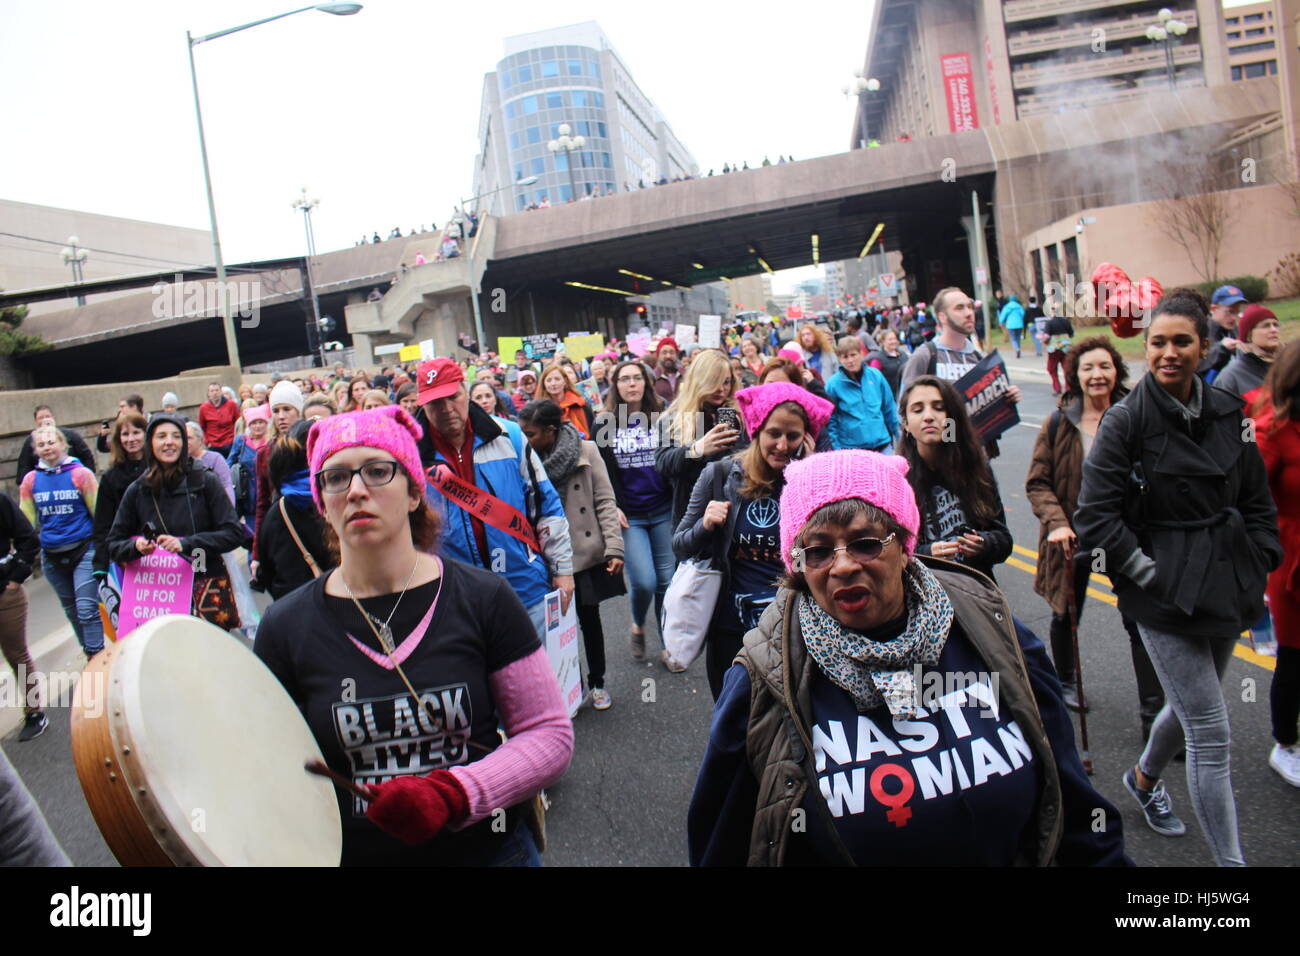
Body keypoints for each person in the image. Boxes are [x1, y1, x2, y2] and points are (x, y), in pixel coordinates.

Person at [687, 449, 1128, 866]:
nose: (842, 566)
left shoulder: (993, 634)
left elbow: (1075, 810)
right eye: (818, 551)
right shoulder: (762, 679)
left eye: (865, 543)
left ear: (904, 546)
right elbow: (722, 845)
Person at [254, 405, 573, 865]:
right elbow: (268, 764)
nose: (357, 489)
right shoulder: (284, 626)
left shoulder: (484, 598)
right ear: (323, 501)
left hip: (488, 853)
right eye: (337, 477)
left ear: (412, 492)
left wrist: (454, 794)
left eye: (378, 471)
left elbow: (548, 734)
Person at [1075, 287, 1281, 865]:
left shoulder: (1230, 414)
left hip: (1225, 578)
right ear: (1145, 348)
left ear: (1204, 346)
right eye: (1158, 342)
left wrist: (1261, 556)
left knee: (1193, 703)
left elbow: (1257, 496)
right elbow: (1094, 518)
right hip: (1160, 593)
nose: (1169, 352)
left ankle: (1142, 779)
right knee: (1211, 733)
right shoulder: (1126, 421)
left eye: (1181, 341)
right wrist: (1146, 572)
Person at [1025, 338, 1163, 722]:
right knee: (1065, 612)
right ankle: (1066, 680)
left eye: (1104, 366)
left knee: (1139, 621)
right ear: (1075, 375)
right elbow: (1038, 483)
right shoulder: (1058, 423)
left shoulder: (1136, 415)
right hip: (1072, 534)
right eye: (1088, 368)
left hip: (1123, 535)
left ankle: (1154, 711)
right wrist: (1057, 524)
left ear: (1116, 370)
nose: (1097, 375)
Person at [673, 382, 831, 696]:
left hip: (792, 628)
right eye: (774, 433)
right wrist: (705, 525)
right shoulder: (719, 475)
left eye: (793, 436)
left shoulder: (813, 482)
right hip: (731, 628)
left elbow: (826, 552)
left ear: (806, 438)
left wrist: (810, 476)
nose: (783, 445)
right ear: (757, 430)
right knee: (732, 718)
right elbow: (679, 545)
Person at [415, 358, 575, 639]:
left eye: (453, 397)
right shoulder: (409, 456)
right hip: (454, 599)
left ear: (465, 392)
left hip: (525, 586)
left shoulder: (509, 435)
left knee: (541, 680)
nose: (447, 409)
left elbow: (545, 503)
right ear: (422, 405)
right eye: (435, 403)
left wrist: (562, 569)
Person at [519, 400, 624, 710]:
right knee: (556, 628)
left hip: (584, 552)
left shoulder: (587, 451)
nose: (525, 439)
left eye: (531, 433)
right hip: (547, 555)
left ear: (550, 431)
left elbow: (605, 501)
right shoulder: (524, 460)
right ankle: (569, 686)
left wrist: (614, 547)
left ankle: (598, 682)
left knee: (589, 621)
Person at [109, 414, 248, 631]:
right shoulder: (138, 489)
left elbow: (233, 532)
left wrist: (186, 544)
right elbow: (113, 544)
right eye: (161, 436)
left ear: (184, 443)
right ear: (150, 444)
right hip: (159, 595)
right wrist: (135, 547)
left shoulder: (205, 480)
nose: (169, 442)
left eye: (176, 436)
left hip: (204, 580)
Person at [595, 360, 676, 660]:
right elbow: (599, 472)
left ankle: (668, 644)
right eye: (624, 379)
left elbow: (675, 456)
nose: (631, 384)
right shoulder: (604, 422)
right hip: (630, 515)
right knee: (644, 581)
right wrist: (611, 505)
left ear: (646, 382)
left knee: (667, 581)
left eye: (637, 378)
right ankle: (638, 624)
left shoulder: (662, 416)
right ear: (615, 386)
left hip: (663, 508)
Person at [897, 376, 1012, 582]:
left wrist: (983, 544)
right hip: (924, 595)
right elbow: (892, 552)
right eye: (917, 410)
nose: (928, 416)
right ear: (906, 424)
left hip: (974, 591)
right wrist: (927, 553)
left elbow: (1003, 539)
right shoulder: (898, 479)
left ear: (952, 418)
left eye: (939, 408)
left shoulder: (975, 468)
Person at [1251, 343, 1300, 786]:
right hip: (1290, 563)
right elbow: (1248, 501)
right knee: (1294, 655)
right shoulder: (1271, 431)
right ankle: (1285, 742)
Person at [901, 287, 1023, 458]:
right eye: (959, 308)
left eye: (969, 306)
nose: (968, 313)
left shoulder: (978, 358)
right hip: (940, 459)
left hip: (977, 459)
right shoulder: (926, 356)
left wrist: (1008, 397)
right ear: (942, 316)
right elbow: (904, 409)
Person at [20, 426, 102, 659]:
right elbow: (25, 521)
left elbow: (98, 513)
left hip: (83, 549)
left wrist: (104, 549)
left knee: (87, 610)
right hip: (52, 555)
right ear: (36, 450)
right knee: (72, 612)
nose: (47, 448)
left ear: (62, 444)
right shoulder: (30, 480)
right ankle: (90, 653)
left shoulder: (81, 475)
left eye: (51, 442)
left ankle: (97, 658)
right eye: (41, 445)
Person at [656, 349, 746, 529]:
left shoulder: (741, 416)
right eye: (714, 381)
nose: (721, 389)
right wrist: (697, 449)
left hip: (738, 514)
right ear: (699, 381)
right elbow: (663, 463)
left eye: (726, 382)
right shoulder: (674, 419)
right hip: (692, 517)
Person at [254, 420, 333, 599]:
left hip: (292, 609)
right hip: (339, 604)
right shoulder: (339, 498)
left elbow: (267, 571)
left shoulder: (278, 511)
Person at [0, 492, 43, 740]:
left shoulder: (1, 502)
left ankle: (34, 712)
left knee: (15, 654)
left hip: (6, 594)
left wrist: (15, 579)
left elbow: (28, 539)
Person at [825, 336, 899, 453]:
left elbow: (890, 409)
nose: (850, 360)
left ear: (861, 354)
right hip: (852, 448)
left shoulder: (876, 376)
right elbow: (830, 420)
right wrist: (837, 450)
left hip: (882, 444)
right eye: (845, 357)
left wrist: (900, 439)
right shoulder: (833, 384)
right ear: (839, 359)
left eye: (853, 355)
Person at [1213, 304, 1281, 399]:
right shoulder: (1230, 377)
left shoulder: (1290, 364)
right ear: (1249, 335)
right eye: (1266, 326)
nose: (1273, 330)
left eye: (1276, 325)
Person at [15, 407, 95, 483]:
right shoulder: (30, 440)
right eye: (41, 418)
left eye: (47, 416)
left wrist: (86, 479)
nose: (45, 420)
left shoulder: (70, 435)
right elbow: (24, 466)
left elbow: (86, 456)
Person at [227, 405, 270, 537]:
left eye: (261, 422)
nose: (257, 426)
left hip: (268, 495)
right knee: (253, 535)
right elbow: (229, 463)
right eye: (254, 423)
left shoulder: (271, 442)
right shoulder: (241, 441)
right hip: (248, 497)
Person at [1199, 284, 1247, 382]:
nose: (1234, 317)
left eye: (1237, 312)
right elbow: (1197, 364)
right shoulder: (1202, 331)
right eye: (1229, 312)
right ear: (1213, 309)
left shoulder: (1234, 329)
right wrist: (1222, 348)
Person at [537, 363, 594, 439]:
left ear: (565, 381)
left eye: (557, 379)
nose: (553, 383)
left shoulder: (581, 404)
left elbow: (592, 433)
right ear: (544, 384)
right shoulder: (539, 411)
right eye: (549, 380)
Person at [186, 421, 235, 505]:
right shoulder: (179, 462)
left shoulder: (215, 459)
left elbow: (226, 485)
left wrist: (229, 509)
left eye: (189, 438)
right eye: (182, 438)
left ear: (200, 440)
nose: (185, 442)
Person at [198, 382, 240, 459]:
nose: (215, 393)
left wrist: (236, 439)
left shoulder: (231, 405)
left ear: (221, 392)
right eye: (212, 391)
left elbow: (238, 423)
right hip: (213, 445)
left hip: (230, 443)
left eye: (217, 390)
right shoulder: (203, 408)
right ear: (208, 394)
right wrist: (207, 441)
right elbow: (201, 427)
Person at [1040, 306, 1076, 395]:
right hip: (1066, 348)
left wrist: (1042, 339)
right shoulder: (1066, 321)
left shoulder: (1049, 323)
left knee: (1051, 369)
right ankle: (1068, 388)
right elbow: (1072, 334)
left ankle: (1057, 388)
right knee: (1067, 368)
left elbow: (1046, 337)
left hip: (1054, 349)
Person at [865, 328, 906, 398]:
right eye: (890, 339)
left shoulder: (903, 354)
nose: (893, 341)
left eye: (895, 339)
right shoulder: (877, 358)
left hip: (902, 393)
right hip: (887, 396)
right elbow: (872, 379)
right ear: (882, 342)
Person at [652, 337, 683, 403]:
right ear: (658, 355)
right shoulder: (652, 377)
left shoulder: (686, 375)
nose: (668, 356)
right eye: (664, 353)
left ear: (676, 355)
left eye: (672, 352)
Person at [998, 293, 1026, 358]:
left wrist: (1001, 322)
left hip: (1010, 325)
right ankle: (1018, 348)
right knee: (1018, 338)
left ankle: (1016, 349)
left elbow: (1003, 315)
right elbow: (1023, 315)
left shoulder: (1007, 307)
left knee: (1013, 338)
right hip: (1019, 324)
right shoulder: (1019, 306)